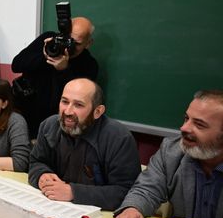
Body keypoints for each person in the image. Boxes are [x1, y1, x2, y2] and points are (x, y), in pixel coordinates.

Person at [111, 90, 223, 218]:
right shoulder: (171, 151)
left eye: (199, 124)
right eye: (186, 118)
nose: (184, 128)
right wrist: (132, 208)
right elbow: (147, 189)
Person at [28, 78, 141, 210]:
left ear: (97, 111)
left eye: (78, 105)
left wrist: (73, 192)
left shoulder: (118, 138)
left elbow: (126, 192)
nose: (68, 111)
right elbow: (35, 162)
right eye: (64, 102)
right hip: (52, 206)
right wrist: (42, 174)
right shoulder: (49, 126)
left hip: (98, 216)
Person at [12, 17, 98, 139]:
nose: (70, 46)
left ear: (88, 43)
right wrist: (47, 54)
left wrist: (64, 70)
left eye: (77, 43)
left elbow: (79, 98)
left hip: (56, 126)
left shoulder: (89, 64)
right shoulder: (49, 41)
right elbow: (16, 65)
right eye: (69, 39)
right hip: (24, 113)